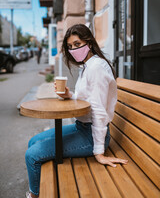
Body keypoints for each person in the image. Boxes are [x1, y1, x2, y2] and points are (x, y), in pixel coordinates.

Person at [25, 24, 128, 198]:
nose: (74, 49)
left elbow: (98, 111)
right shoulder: (87, 66)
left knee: (32, 155)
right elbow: (87, 100)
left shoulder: (96, 67)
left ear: (88, 42)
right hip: (81, 127)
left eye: (77, 44)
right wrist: (69, 95)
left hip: (90, 136)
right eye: (70, 46)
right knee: (33, 141)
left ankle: (34, 195)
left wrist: (99, 152)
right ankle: (41, 189)